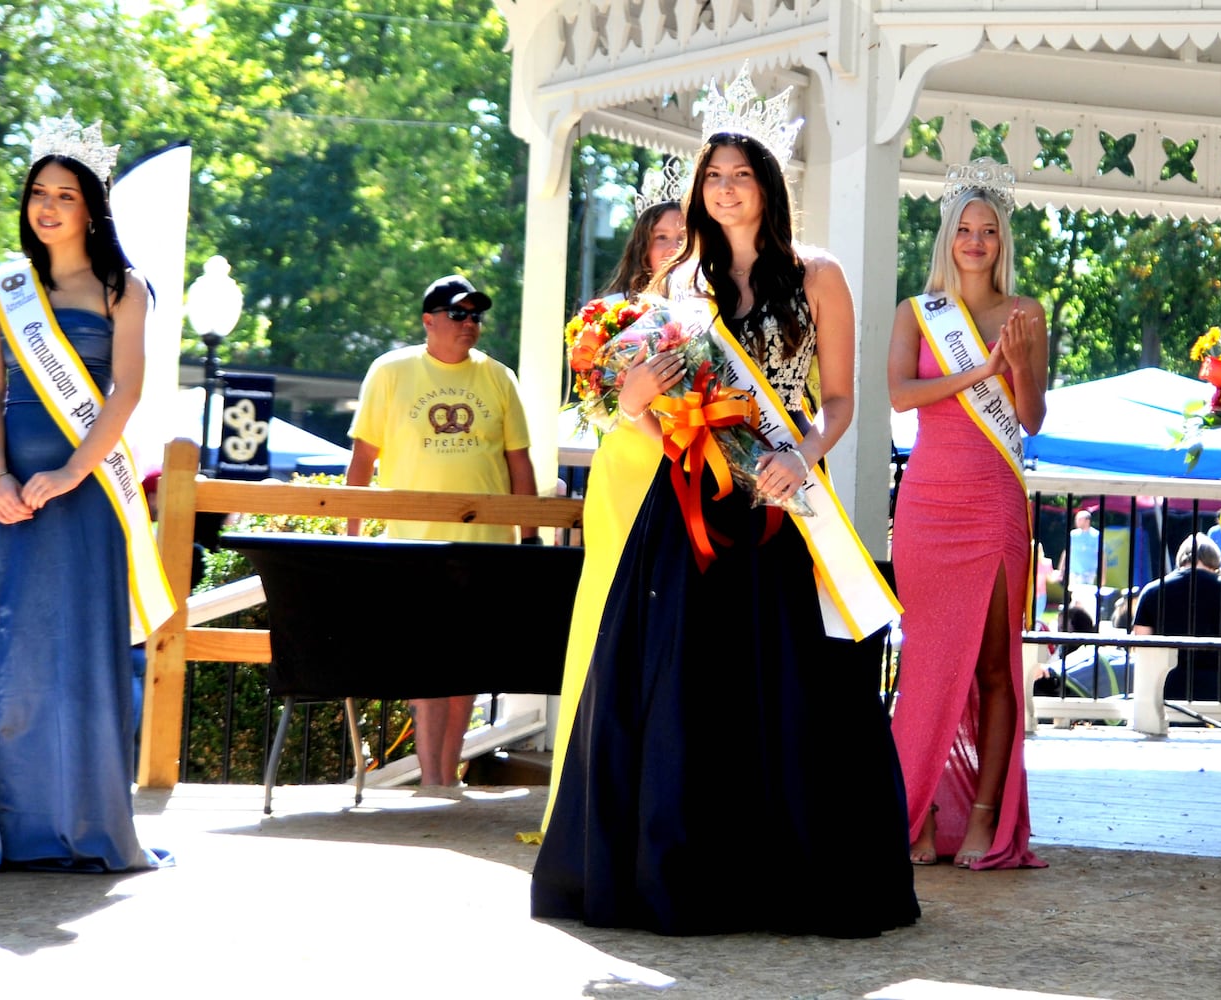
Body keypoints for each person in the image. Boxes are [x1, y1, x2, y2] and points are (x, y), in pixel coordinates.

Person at [533, 67, 919, 937]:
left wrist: (802, 453)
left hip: (777, 505)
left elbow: (844, 401)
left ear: (769, 187)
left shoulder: (816, 274)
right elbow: (635, 402)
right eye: (713, 176)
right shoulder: (678, 285)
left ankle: (784, 875)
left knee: (790, 692)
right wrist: (631, 393)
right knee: (677, 688)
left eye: (742, 175)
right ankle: (671, 871)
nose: (727, 189)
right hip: (690, 505)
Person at [0, 115, 169, 875]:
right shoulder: (3, 286)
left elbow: (126, 393)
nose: (48, 206)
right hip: (11, 500)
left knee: (80, 654)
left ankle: (86, 825)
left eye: (64, 194)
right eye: (39, 192)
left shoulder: (122, 288)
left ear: (91, 207)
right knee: (9, 656)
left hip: (86, 489)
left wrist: (69, 474)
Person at [885, 165, 1048, 871]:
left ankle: (984, 815)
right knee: (925, 658)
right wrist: (982, 373)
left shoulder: (1025, 314)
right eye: (965, 229)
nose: (975, 241)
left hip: (993, 501)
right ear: (947, 237)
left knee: (991, 667)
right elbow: (900, 395)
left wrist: (1014, 368)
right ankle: (913, 813)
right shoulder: (915, 312)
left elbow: (1033, 418)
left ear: (1000, 241)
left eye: (988, 231)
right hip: (928, 500)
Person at [346, 272, 538, 792]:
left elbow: (518, 463)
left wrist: (531, 537)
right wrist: (351, 535)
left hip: (486, 548)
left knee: (467, 668)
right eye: (458, 314)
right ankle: (432, 778)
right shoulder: (390, 371)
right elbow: (363, 459)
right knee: (427, 665)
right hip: (413, 546)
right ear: (428, 321)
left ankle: (445, 778)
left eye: (476, 315)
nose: (469, 324)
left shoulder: (500, 377)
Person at [543, 180, 686, 831]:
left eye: (687, 237)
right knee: (605, 618)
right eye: (663, 236)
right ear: (642, 246)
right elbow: (598, 407)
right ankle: (578, 800)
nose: (676, 247)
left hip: (687, 469)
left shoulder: (712, 314)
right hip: (626, 473)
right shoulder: (610, 317)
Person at [1130, 534, 1221, 703]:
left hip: (1166, 686)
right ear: (1215, 563)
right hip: (1213, 686)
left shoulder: (1152, 591)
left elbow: (1142, 646)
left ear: (1181, 560)